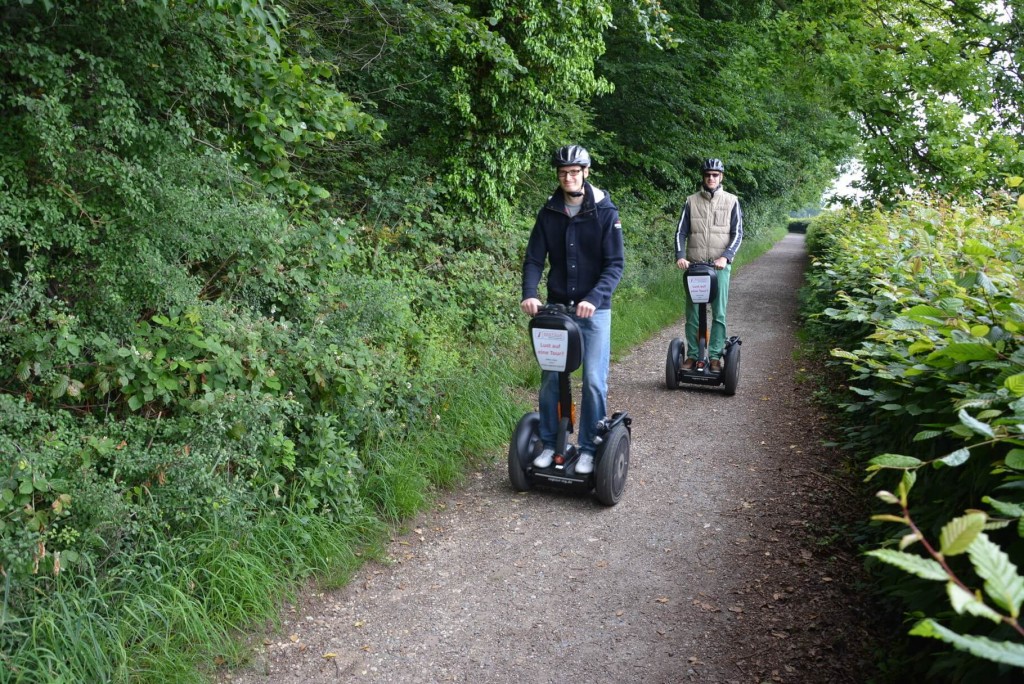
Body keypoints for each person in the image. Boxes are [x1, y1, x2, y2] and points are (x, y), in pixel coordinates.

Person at [520, 145, 625, 474]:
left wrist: (593, 298)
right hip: (556, 309)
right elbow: (535, 258)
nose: (568, 177)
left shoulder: (605, 212)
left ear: (586, 172)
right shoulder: (549, 212)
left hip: (595, 311)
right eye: (563, 172)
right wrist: (529, 293)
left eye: (574, 171)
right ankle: (551, 444)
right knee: (552, 379)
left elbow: (615, 265)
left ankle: (590, 447)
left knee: (593, 380)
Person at [673, 158, 743, 372]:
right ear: (703, 177)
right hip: (694, 266)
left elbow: (737, 233)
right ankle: (693, 355)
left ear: (721, 177)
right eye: (707, 175)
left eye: (715, 175)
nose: (711, 178)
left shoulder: (732, 201)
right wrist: (680, 255)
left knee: (719, 312)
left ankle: (714, 356)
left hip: (719, 266)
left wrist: (726, 256)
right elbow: (680, 231)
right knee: (693, 311)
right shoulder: (691, 201)